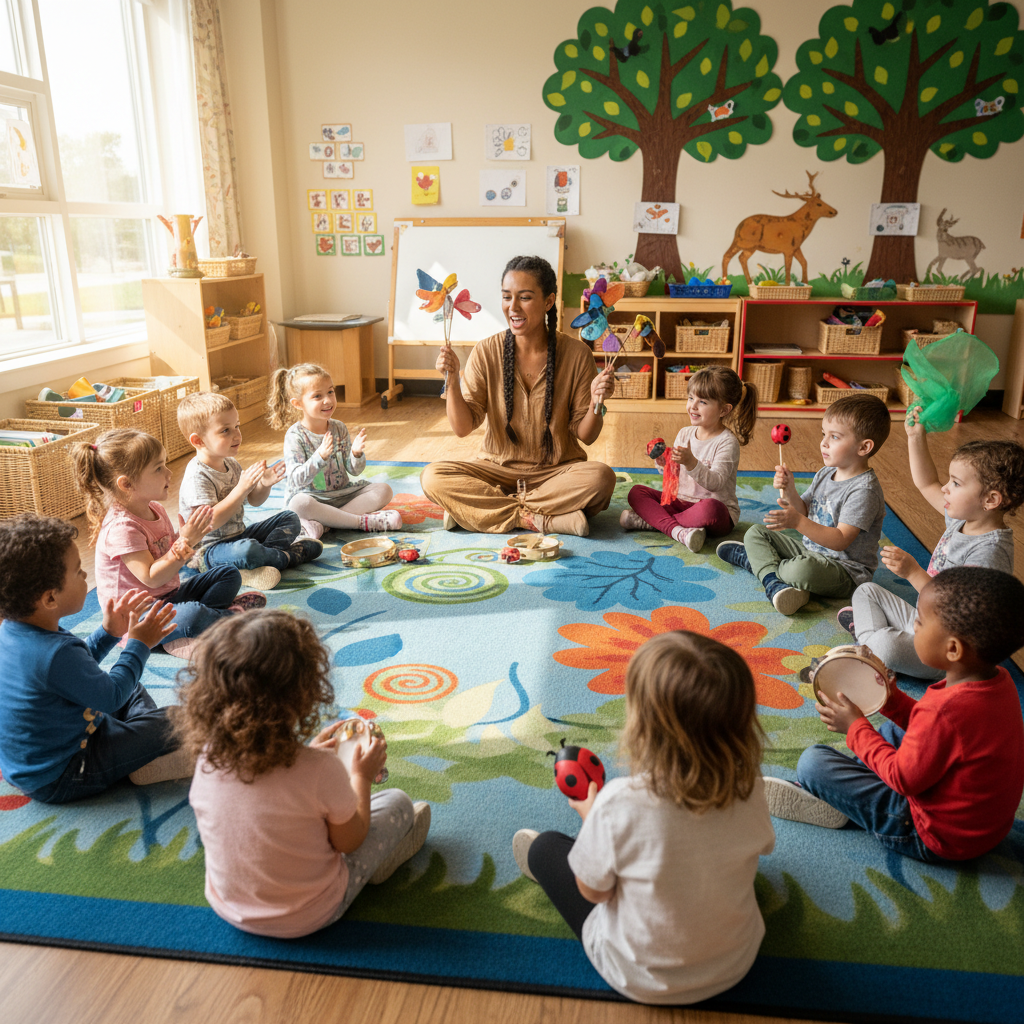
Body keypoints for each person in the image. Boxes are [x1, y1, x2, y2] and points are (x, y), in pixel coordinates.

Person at [512, 631, 775, 1005]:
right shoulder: (750, 786)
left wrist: (591, 819)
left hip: (638, 976)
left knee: (545, 848)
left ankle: (575, 850)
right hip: (734, 962)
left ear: (643, 726)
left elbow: (596, 892)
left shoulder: (619, 802)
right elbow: (762, 847)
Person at [178, 609, 431, 939]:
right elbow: (349, 841)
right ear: (304, 692)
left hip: (229, 906)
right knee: (397, 802)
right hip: (310, 913)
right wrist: (362, 776)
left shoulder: (209, 756)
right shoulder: (319, 769)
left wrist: (309, 752)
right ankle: (378, 867)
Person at [765, 567, 1024, 864]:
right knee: (895, 734)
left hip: (935, 836)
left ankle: (834, 796)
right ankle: (847, 791)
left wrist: (855, 728)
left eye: (920, 622)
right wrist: (892, 700)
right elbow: (938, 733)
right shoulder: (998, 681)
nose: (913, 627)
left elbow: (903, 778)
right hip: (982, 827)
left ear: (953, 649)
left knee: (813, 763)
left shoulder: (945, 712)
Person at [0, 514, 192, 803]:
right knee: (180, 718)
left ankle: (142, 746)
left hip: (42, 756)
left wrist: (108, 632)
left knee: (130, 685)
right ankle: (145, 751)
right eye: (78, 571)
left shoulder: (16, 629)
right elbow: (111, 697)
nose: (86, 576)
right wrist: (139, 644)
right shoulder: (53, 653)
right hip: (66, 772)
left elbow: (75, 672)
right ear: (50, 599)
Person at [420, 255, 617, 536]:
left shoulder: (576, 354)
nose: (512, 307)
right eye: (506, 297)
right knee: (433, 477)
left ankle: (481, 513)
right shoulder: (487, 351)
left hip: (556, 473)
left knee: (601, 478)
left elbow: (586, 435)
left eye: (524, 297)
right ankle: (541, 519)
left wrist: (597, 402)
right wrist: (451, 381)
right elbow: (463, 428)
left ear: (548, 302)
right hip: (496, 471)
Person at [842, 420, 1021, 678]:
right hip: (926, 623)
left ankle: (871, 643)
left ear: (990, 500)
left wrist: (913, 572)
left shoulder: (989, 552)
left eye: (957, 484)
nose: (946, 488)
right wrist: (916, 437)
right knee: (866, 591)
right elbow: (927, 483)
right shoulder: (963, 519)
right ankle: (872, 637)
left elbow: (953, 610)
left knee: (888, 646)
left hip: (949, 653)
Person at [72, 428, 264, 660]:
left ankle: (199, 627)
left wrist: (183, 536)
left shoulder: (156, 508)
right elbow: (151, 577)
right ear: (127, 484)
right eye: (158, 468)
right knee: (192, 615)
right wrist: (185, 541)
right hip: (139, 623)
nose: (169, 472)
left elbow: (165, 554)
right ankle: (224, 621)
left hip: (169, 596)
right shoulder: (121, 528)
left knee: (228, 574)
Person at [717, 392, 889, 615]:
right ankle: (773, 580)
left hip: (844, 571)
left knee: (801, 570)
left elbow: (840, 541)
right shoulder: (826, 472)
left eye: (835, 437)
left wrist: (797, 522)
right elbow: (804, 510)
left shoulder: (863, 491)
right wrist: (789, 490)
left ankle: (759, 565)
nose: (824, 443)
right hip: (810, 551)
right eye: (823, 434)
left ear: (864, 447)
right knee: (755, 533)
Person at [177, 391, 323, 591]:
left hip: (239, 536)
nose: (237, 434)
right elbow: (210, 522)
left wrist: (264, 484)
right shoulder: (197, 476)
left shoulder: (231, 463)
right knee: (248, 550)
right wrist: (241, 488)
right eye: (225, 430)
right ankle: (286, 557)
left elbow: (254, 500)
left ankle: (259, 563)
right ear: (198, 441)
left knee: (290, 518)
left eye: (236, 426)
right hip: (208, 552)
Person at [620, 366, 758, 552]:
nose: (692, 406)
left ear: (724, 410)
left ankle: (655, 523)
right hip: (681, 505)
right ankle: (679, 531)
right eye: (691, 398)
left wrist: (691, 462)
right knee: (636, 492)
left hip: (715, 512)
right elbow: (674, 476)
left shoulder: (727, 442)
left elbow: (715, 483)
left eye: (702, 402)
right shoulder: (685, 433)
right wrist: (663, 462)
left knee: (711, 509)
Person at [267, 363, 401, 538]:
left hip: (341, 495)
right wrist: (319, 457)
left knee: (384, 489)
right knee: (298, 504)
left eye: (330, 392)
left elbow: (353, 470)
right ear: (298, 404)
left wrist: (356, 454)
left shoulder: (339, 428)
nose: (328, 400)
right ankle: (359, 522)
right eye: (317, 396)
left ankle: (325, 524)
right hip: (312, 499)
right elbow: (296, 481)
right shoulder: (295, 435)